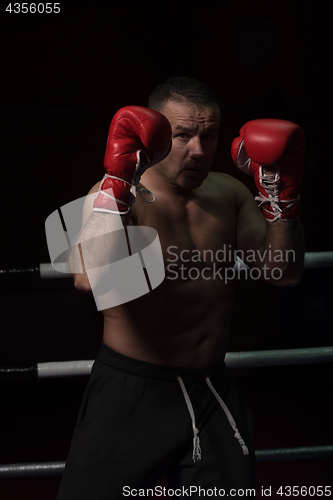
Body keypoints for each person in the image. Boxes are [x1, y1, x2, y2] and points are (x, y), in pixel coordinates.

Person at [57, 77, 305, 499]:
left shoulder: (229, 193)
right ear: (152, 136)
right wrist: (116, 186)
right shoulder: (115, 196)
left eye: (208, 136)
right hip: (130, 390)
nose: (198, 150)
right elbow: (86, 276)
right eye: (183, 135)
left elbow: (283, 272)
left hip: (209, 387)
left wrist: (282, 202)